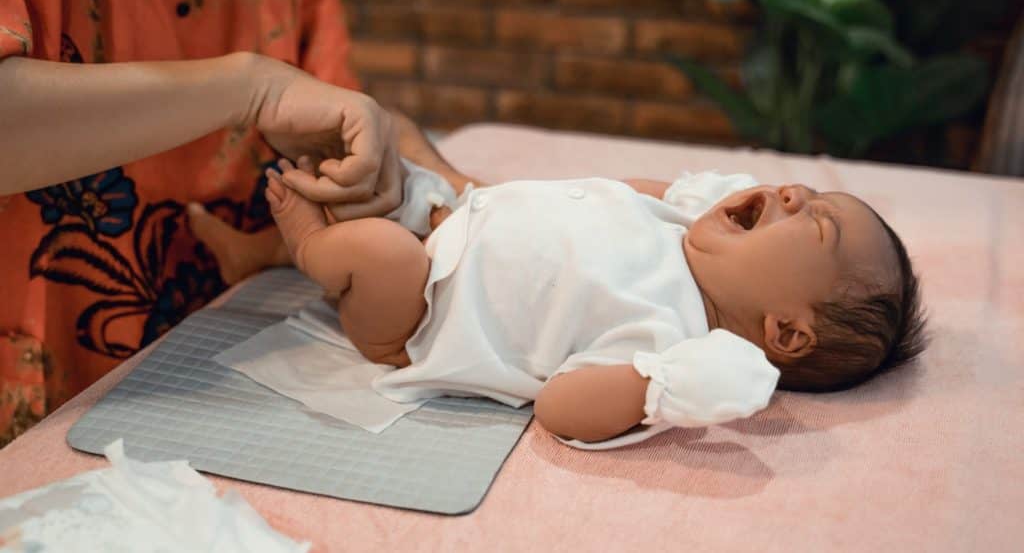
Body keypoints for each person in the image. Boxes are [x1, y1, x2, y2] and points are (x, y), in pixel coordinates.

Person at [0, 0, 465, 444]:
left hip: (218, 355)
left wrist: (437, 179)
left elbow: (325, 115)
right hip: (50, 379)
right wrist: (251, 88)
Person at [216, 158, 927, 447]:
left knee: (376, 253)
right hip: (459, 216)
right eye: (809, 192)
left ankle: (305, 248)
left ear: (786, 332)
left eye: (818, 224)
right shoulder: (682, 225)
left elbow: (560, 407)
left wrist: (657, 388)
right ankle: (258, 252)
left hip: (422, 312)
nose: (797, 193)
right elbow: (606, 193)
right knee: (385, 175)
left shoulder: (670, 339)